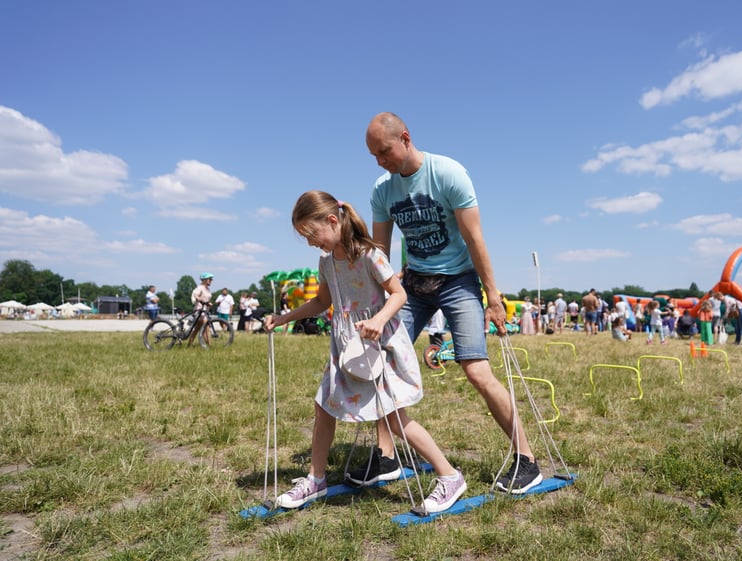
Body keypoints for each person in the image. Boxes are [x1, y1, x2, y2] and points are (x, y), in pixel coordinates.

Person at [363, 112, 542, 493]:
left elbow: (474, 237)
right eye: (375, 156)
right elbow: (381, 250)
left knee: (476, 371)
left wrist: (493, 296)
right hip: (413, 284)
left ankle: (526, 459)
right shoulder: (383, 189)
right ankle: (387, 456)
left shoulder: (448, 173)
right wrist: (380, 299)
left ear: (406, 138)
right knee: (380, 362)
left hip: (458, 280)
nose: (381, 161)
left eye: (384, 152)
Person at [262, 191, 465, 514]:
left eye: (311, 234)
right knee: (323, 408)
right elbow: (321, 303)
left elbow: (398, 294)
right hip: (346, 347)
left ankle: (450, 476)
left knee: (397, 420)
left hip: (378, 345)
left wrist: (378, 320)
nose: (311, 242)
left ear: (332, 220)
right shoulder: (326, 261)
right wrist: (283, 318)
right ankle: (316, 479)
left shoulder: (371, 255)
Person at [188, 273, 213, 346]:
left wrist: (208, 303)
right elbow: (196, 295)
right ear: (205, 280)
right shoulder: (200, 288)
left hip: (205, 310)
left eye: (211, 279)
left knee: (197, 329)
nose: (211, 281)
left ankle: (189, 345)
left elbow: (206, 299)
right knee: (206, 328)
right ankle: (209, 346)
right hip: (199, 310)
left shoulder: (207, 289)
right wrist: (200, 300)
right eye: (210, 279)